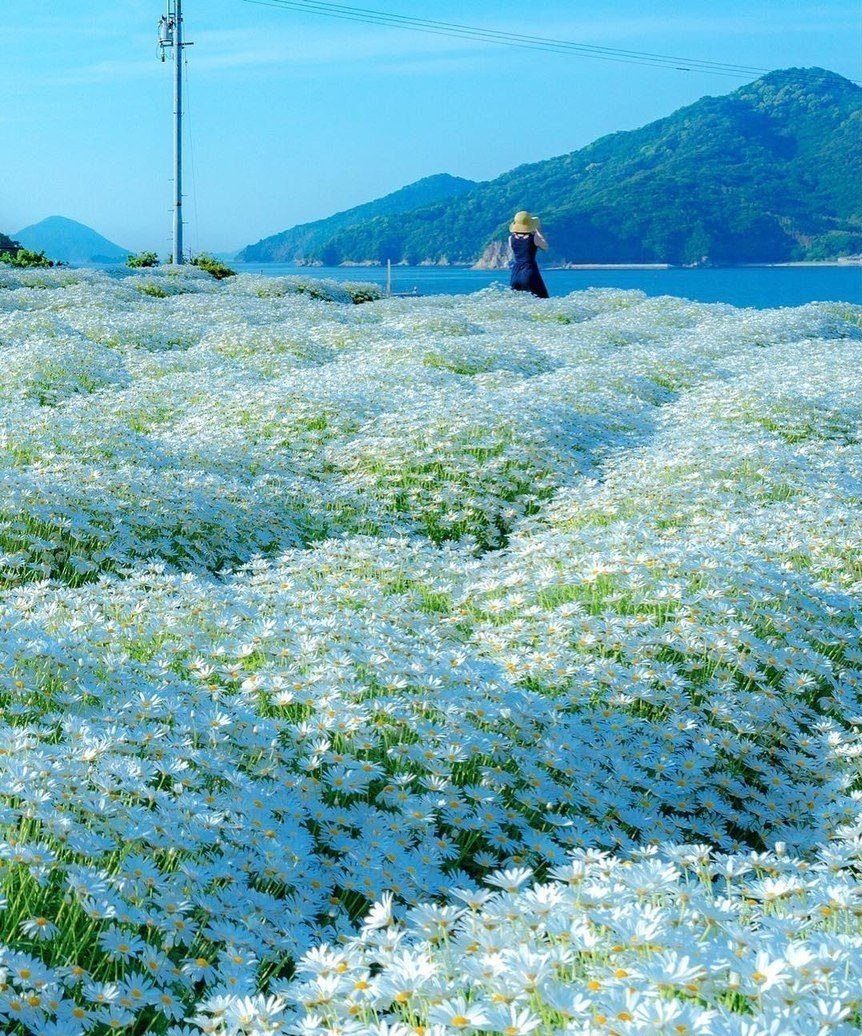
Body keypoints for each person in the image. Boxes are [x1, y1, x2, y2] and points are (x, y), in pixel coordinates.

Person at [509, 210, 549, 298]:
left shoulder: (510, 238)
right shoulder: (534, 237)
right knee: (544, 301)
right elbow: (545, 247)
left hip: (515, 274)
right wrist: (538, 231)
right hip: (530, 272)